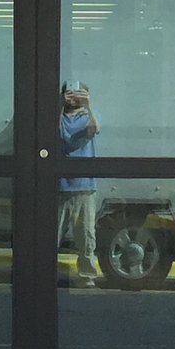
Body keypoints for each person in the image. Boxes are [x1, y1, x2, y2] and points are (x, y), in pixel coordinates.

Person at [56, 82, 98, 281]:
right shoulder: (60, 117)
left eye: (79, 94)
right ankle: (48, 271)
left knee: (86, 235)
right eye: (69, 93)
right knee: (53, 232)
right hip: (60, 185)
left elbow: (95, 129)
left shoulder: (86, 117)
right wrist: (58, 105)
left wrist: (88, 106)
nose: (74, 97)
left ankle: (87, 273)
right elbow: (50, 132)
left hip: (84, 186)